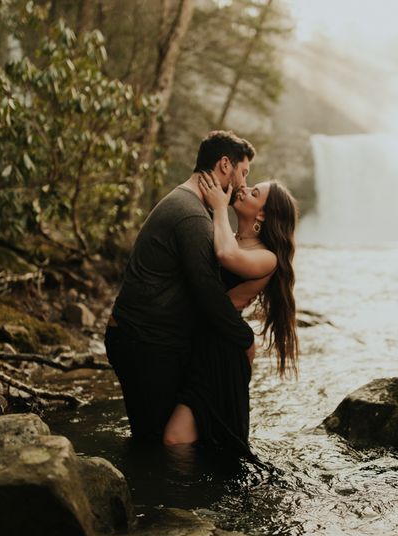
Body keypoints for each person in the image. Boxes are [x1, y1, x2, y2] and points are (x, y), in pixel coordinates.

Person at [104, 130, 256, 441]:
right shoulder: (190, 215)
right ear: (224, 165)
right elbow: (207, 292)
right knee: (155, 443)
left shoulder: (191, 207)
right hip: (142, 342)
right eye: (242, 172)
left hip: (147, 339)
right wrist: (245, 338)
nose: (242, 183)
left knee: (162, 439)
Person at [163, 170, 299, 456]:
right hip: (195, 340)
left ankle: (185, 498)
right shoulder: (229, 234)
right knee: (198, 435)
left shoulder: (267, 257)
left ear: (262, 215)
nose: (245, 189)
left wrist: (220, 206)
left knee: (176, 439)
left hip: (221, 349)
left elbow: (226, 255)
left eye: (255, 193)